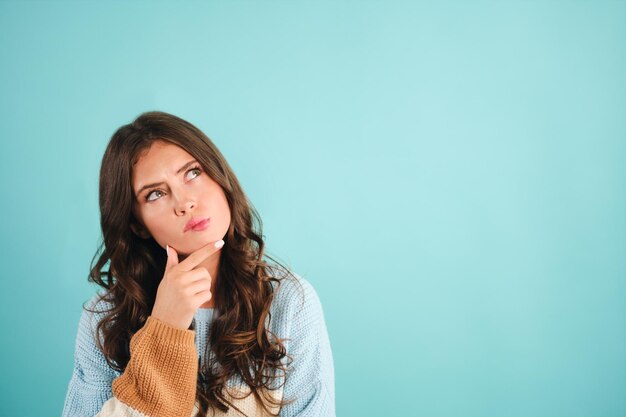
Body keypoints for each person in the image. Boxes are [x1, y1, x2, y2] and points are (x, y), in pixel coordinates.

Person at [61, 111, 335, 417]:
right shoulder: (105, 319)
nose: (184, 202)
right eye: (156, 194)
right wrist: (165, 330)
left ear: (219, 175)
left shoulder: (289, 303)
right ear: (137, 224)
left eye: (192, 173)